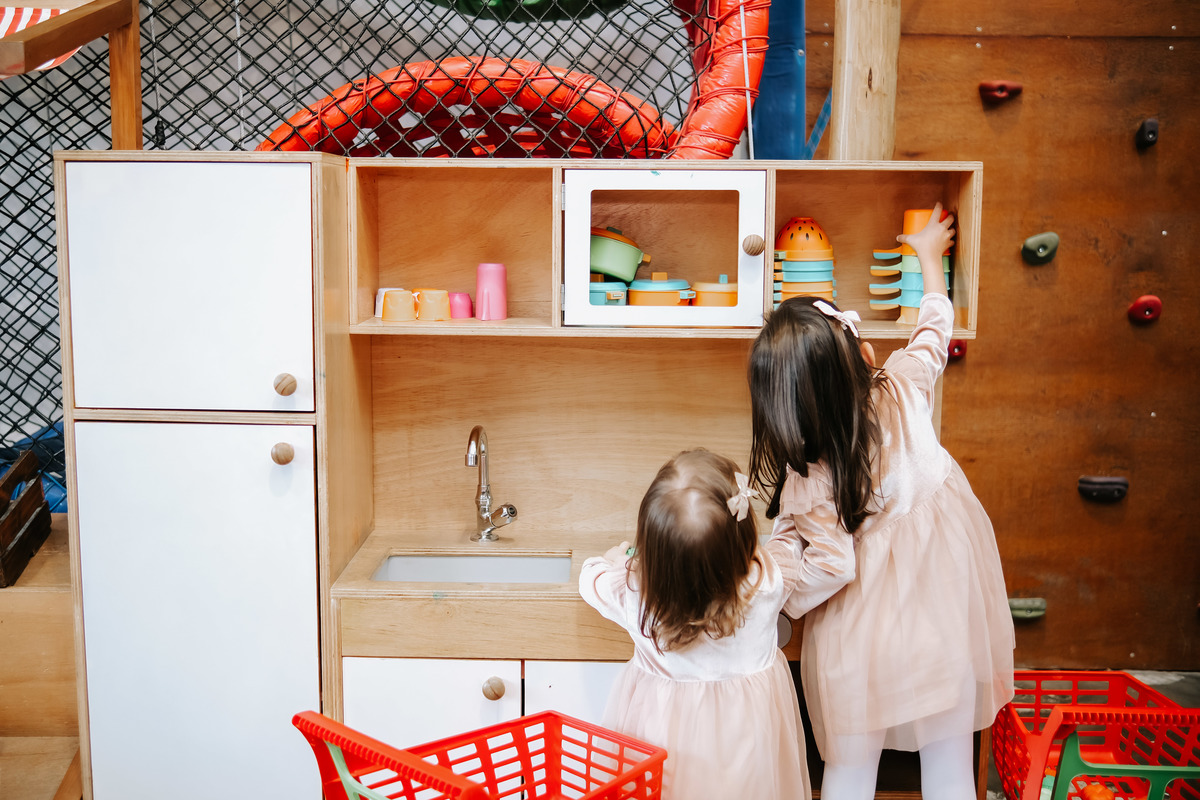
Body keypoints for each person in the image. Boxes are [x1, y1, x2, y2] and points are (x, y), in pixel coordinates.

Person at [746, 203, 1015, 800]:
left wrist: (777, 582)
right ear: (860, 359)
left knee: (847, 769)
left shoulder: (810, 478)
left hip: (858, 638)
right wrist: (926, 254)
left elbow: (832, 565)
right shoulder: (903, 385)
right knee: (950, 768)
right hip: (943, 618)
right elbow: (933, 328)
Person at [579, 448, 811, 800]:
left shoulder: (639, 596)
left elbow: (589, 578)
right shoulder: (767, 582)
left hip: (663, 744)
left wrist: (618, 560)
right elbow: (788, 545)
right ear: (744, 540)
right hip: (747, 740)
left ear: (653, 552)